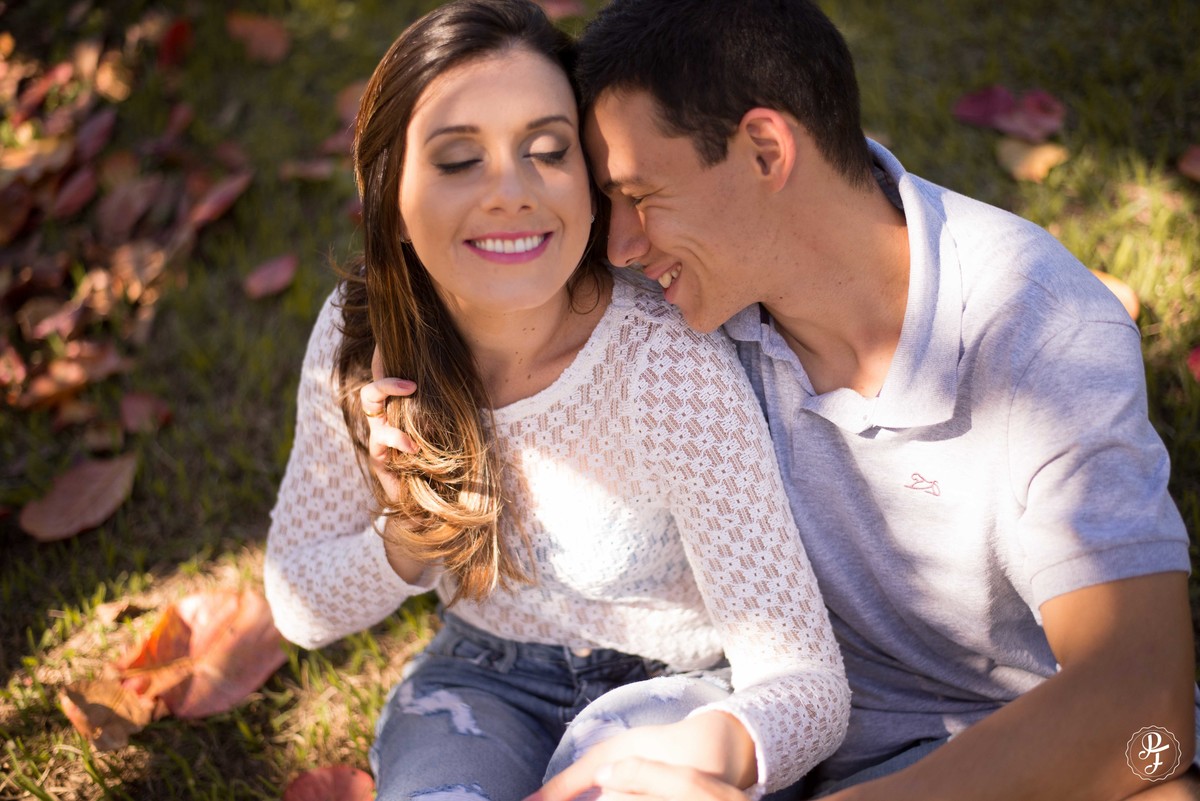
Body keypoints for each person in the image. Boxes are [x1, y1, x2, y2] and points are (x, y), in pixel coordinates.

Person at [517, 0, 1199, 799]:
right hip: (792, 735)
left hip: (1037, 753)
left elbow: (1148, 715)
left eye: (641, 195)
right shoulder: (685, 312)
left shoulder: (1038, 328)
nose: (623, 245)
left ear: (766, 150)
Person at [262, 1, 850, 799]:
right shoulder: (361, 337)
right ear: (389, 198)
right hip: (481, 682)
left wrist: (708, 760)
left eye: (547, 150)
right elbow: (299, 605)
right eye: (459, 160)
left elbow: (806, 683)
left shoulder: (663, 362)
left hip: (681, 690)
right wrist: (407, 538)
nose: (511, 192)